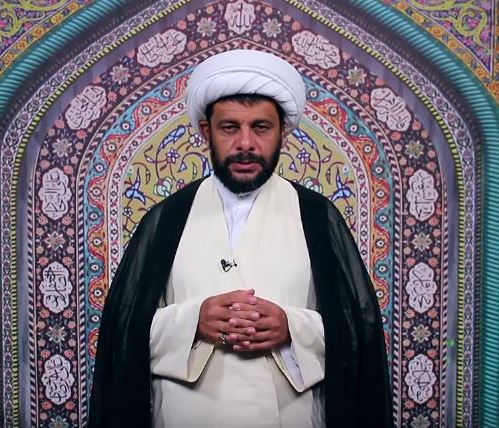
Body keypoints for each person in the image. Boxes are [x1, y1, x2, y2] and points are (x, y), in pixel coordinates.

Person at [88, 49, 393, 428]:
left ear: (282, 133)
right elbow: (123, 332)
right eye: (230, 127)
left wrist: (291, 327)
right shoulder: (166, 219)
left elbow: (358, 333)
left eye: (260, 127)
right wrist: (193, 320)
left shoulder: (317, 217)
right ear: (207, 132)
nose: (245, 143)